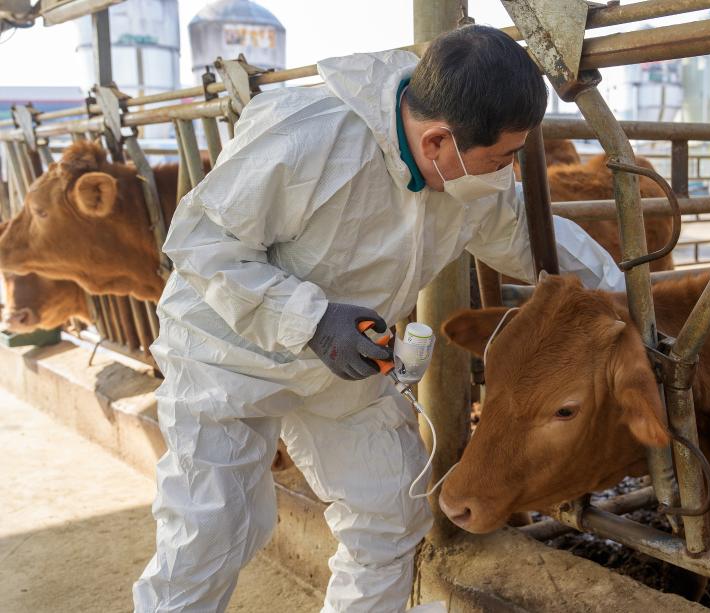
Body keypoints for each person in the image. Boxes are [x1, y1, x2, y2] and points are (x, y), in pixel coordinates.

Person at [132, 24, 626, 613]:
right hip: (228, 355)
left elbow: (520, 230)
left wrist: (620, 298)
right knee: (211, 531)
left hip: (343, 364)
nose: (505, 172)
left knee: (390, 511)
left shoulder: (465, 179)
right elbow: (203, 245)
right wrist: (312, 321)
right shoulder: (306, 137)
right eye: (501, 157)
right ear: (439, 140)